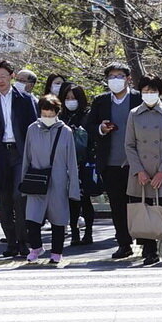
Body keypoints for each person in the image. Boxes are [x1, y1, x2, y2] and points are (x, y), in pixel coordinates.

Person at [0, 60, 38, 257]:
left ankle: (23, 241)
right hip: (0, 154)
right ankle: (11, 242)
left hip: (20, 153)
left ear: (12, 76)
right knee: (4, 200)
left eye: (3, 76)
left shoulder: (25, 99)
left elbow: (34, 126)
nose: (0, 81)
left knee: (18, 197)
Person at [86, 62, 141, 258]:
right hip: (110, 162)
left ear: (128, 79)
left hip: (137, 163)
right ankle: (123, 243)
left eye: (119, 76)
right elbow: (89, 125)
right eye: (111, 76)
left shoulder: (139, 98)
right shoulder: (100, 101)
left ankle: (145, 241)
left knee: (138, 202)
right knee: (117, 205)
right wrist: (100, 129)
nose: (115, 80)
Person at [125, 76, 162, 264]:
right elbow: (129, 145)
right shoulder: (133, 114)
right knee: (144, 209)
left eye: (152, 90)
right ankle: (149, 251)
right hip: (141, 171)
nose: (149, 94)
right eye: (145, 91)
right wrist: (138, 170)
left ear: (159, 92)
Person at [23, 95, 80, 264]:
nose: (47, 118)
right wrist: (23, 182)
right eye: (44, 114)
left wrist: (73, 188)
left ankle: (57, 252)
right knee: (32, 218)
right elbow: (27, 155)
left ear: (57, 113)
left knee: (58, 219)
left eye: (50, 114)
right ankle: (36, 247)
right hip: (36, 179)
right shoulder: (32, 129)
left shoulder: (65, 131)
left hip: (59, 180)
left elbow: (72, 161)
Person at [60, 83, 95, 245]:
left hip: (84, 162)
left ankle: (88, 232)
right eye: (67, 98)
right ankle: (74, 231)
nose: (70, 101)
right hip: (66, 163)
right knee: (71, 200)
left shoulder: (88, 115)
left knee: (85, 198)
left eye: (73, 98)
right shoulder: (61, 117)